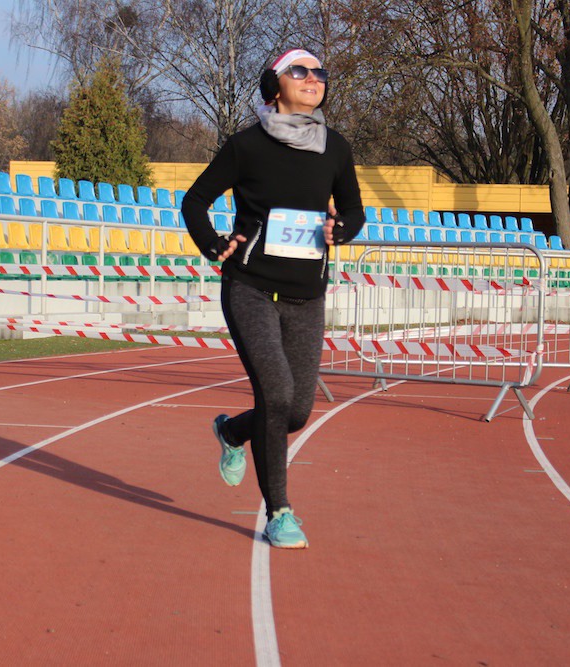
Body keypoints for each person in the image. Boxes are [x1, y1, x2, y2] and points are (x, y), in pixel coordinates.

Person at [181, 48, 364, 549]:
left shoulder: (335, 148)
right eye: (299, 71)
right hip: (251, 288)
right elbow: (194, 200)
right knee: (276, 396)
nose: (312, 78)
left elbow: (353, 210)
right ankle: (279, 512)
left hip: (307, 296)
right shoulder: (246, 146)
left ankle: (232, 433)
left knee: (297, 412)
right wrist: (212, 244)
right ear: (274, 84)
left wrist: (343, 228)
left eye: (319, 72)